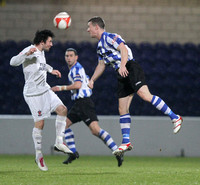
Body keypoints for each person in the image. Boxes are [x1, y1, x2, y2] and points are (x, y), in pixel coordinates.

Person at [87, 16, 183, 156]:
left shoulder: (109, 37)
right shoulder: (100, 47)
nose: (87, 29)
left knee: (145, 95)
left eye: (89, 27)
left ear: (96, 27)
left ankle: (175, 117)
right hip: (121, 73)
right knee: (122, 108)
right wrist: (92, 80)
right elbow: (101, 65)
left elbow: (124, 49)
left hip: (130, 67)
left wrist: (123, 65)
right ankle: (126, 142)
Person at [10, 30, 72, 171]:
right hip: (33, 93)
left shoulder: (41, 53)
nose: (52, 44)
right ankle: (39, 155)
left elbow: (41, 65)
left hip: (45, 89)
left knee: (63, 110)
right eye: (50, 41)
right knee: (40, 123)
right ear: (42, 42)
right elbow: (12, 62)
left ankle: (59, 142)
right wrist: (26, 54)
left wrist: (51, 70)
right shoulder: (29, 50)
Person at [51, 48, 123, 167]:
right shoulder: (77, 69)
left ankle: (117, 151)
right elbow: (85, 80)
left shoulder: (76, 69)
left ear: (76, 57)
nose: (68, 58)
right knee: (64, 125)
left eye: (71, 55)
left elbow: (78, 85)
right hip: (79, 104)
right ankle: (73, 153)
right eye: (66, 56)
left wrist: (60, 88)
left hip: (84, 103)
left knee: (95, 130)